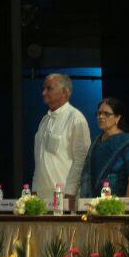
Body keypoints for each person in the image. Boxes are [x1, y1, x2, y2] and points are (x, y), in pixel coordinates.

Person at [33, 73, 91, 203]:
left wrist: (71, 193)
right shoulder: (44, 120)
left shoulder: (75, 118)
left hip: (64, 195)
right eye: (44, 88)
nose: (43, 93)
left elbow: (81, 159)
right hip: (41, 197)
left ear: (64, 92)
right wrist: (35, 189)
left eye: (49, 88)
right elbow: (39, 160)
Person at [79, 97, 129, 198]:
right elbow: (89, 173)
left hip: (117, 201)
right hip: (94, 200)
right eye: (99, 113)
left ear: (117, 118)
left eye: (106, 114)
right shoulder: (96, 142)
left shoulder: (126, 142)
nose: (101, 117)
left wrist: (128, 205)